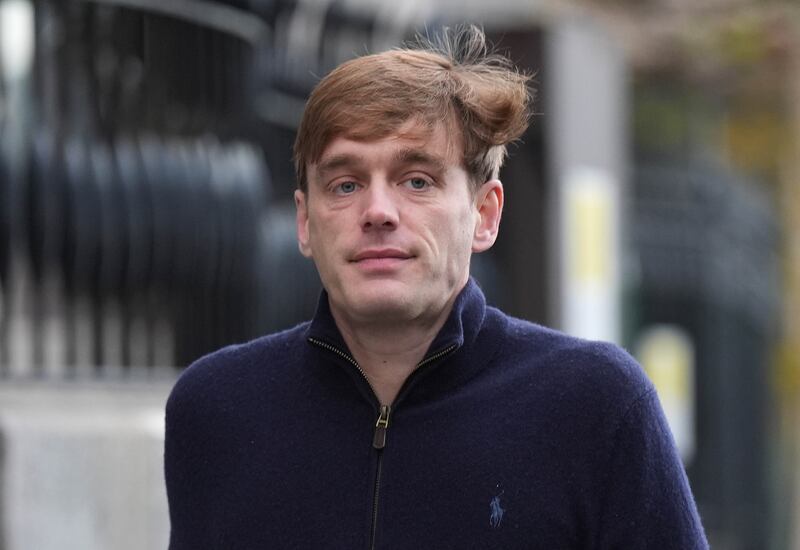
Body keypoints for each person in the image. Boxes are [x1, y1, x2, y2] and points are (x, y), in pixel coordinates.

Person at [164, 26, 708, 549]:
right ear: (305, 221)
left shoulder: (594, 407)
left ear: (484, 214)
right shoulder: (217, 411)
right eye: (345, 184)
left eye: (416, 180)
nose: (377, 211)